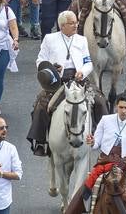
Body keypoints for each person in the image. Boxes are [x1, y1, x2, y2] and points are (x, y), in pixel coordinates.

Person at [27, 10, 93, 157]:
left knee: (99, 101)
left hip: (79, 79)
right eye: (71, 23)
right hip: (57, 82)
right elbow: (40, 61)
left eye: (76, 22)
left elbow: (88, 62)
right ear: (62, 25)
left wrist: (82, 72)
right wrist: (52, 68)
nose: (76, 25)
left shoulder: (82, 40)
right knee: (42, 106)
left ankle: (98, 138)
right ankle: (41, 142)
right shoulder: (50, 39)